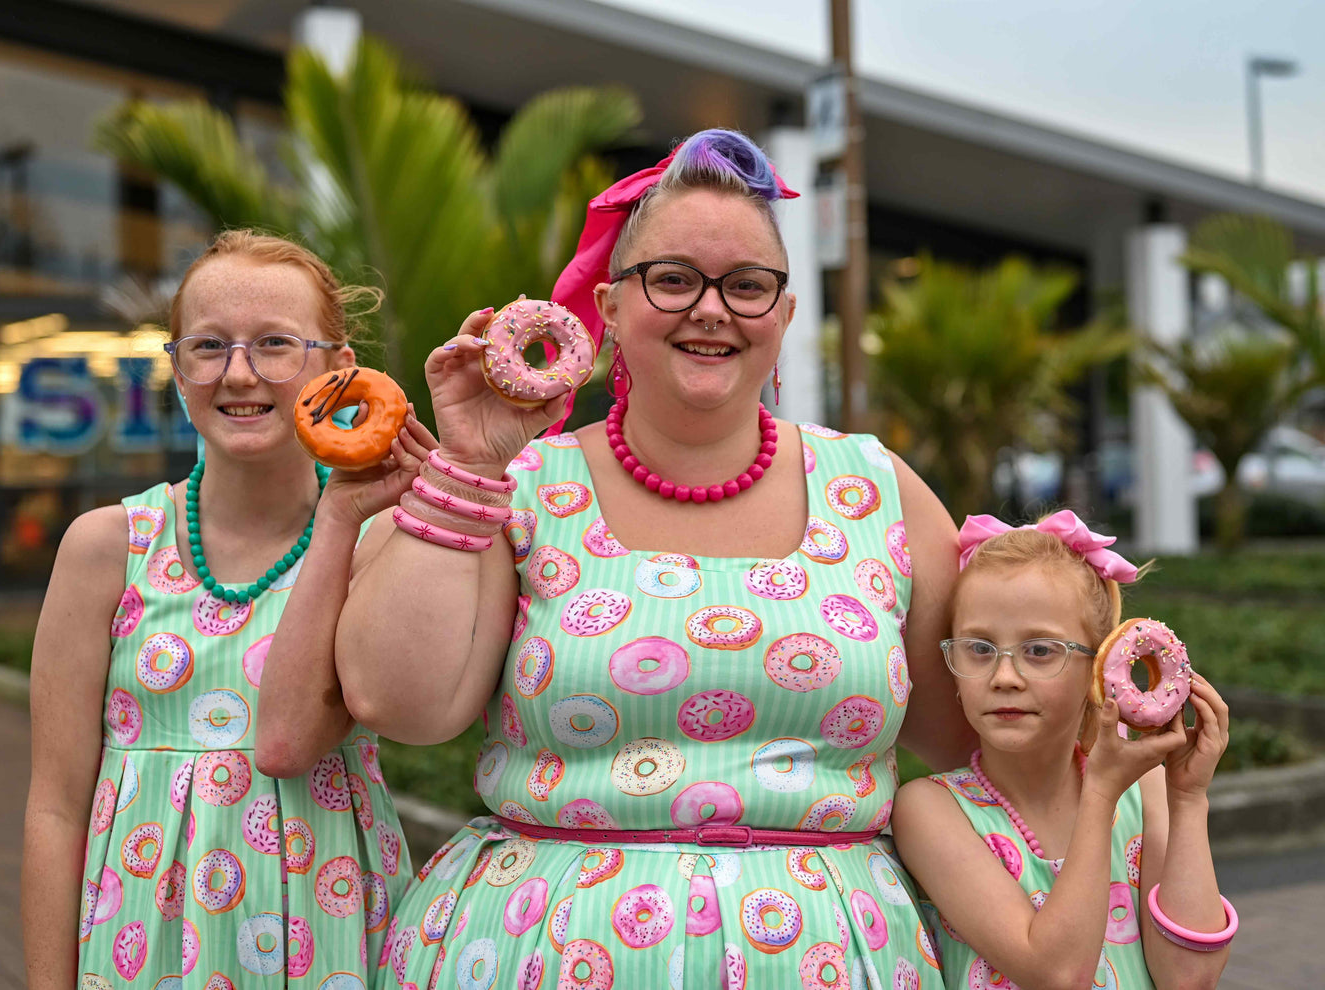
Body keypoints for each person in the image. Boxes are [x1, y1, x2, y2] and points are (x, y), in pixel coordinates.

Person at [333, 129, 974, 987]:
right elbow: (397, 703)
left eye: (748, 286)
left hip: (835, 957)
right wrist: (469, 465)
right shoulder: (516, 485)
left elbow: (978, 739)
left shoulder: (879, 490)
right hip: (536, 953)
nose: (711, 309)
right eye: (672, 279)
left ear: (784, 316)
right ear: (611, 306)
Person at [22, 230, 429, 989]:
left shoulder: (380, 541)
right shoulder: (107, 548)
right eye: (209, 347)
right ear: (178, 370)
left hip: (332, 928)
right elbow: (55, 808)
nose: (238, 374)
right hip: (143, 938)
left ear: (340, 369)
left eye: (275, 343)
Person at [892, 512, 1234, 989]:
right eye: (979, 648)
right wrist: (1100, 794)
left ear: (1100, 665)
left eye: (1040, 651)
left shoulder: (1146, 791)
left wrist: (1189, 799)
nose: (1004, 676)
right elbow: (1057, 974)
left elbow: (1190, 977)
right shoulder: (931, 810)